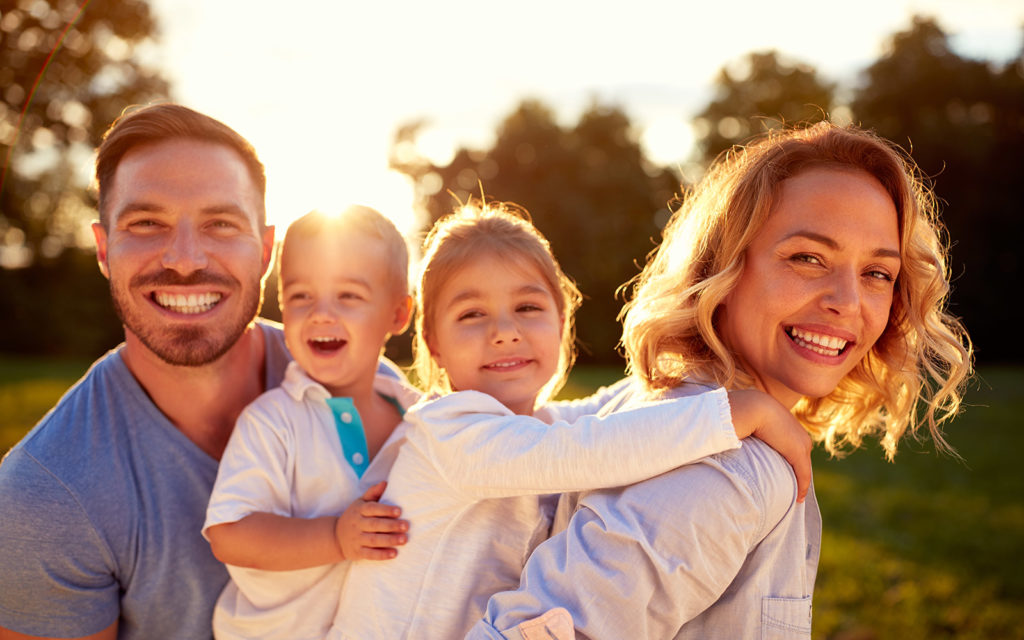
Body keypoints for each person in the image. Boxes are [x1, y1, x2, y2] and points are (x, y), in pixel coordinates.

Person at [467, 122, 973, 639]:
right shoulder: (725, 471)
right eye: (807, 258)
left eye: (876, 273)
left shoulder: (646, 404)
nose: (846, 300)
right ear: (724, 268)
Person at [328, 201, 812, 640]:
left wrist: (698, 365)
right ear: (433, 343)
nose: (504, 332)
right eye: (472, 314)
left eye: (527, 307)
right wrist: (733, 413)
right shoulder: (450, 430)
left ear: (561, 320)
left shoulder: (535, 424)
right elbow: (586, 447)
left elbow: (612, 406)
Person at [0, 104, 396, 639]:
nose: (185, 259)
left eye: (220, 223)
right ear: (102, 249)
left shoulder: (352, 377)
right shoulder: (47, 495)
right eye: (146, 223)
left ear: (266, 251)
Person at [202, 207, 420, 639]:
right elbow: (229, 534)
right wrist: (335, 537)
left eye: (348, 296)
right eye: (301, 297)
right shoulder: (274, 422)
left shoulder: (417, 418)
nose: (321, 314)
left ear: (398, 315)